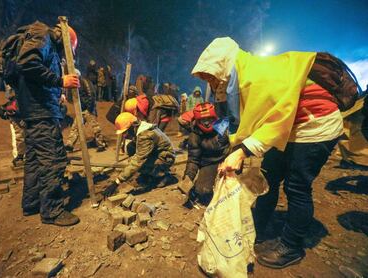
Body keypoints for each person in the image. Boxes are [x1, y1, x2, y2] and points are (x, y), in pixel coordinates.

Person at [192, 37, 344, 269]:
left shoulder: (256, 78)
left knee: (297, 186)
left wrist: (240, 152)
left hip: (314, 125)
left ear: (221, 65)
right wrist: (235, 150)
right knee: (269, 175)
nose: (211, 83)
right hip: (291, 127)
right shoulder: (236, 83)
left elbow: (275, 120)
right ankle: (258, 226)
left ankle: (291, 246)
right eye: (205, 79)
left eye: (210, 76)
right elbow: (237, 123)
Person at [15, 21, 81, 226]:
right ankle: (52, 210)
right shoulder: (42, 36)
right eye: (66, 50)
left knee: (35, 159)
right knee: (53, 159)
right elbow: (27, 64)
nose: (63, 53)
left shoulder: (40, 39)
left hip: (34, 111)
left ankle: (32, 203)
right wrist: (60, 81)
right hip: (41, 111)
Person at [103, 112, 176, 196]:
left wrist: (116, 182)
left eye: (125, 132)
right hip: (157, 153)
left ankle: (163, 176)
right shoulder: (140, 128)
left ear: (133, 126)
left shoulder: (145, 135)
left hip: (166, 158)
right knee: (131, 147)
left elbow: (138, 161)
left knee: (138, 164)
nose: (124, 135)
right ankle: (150, 173)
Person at [181, 103, 231, 206]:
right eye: (203, 120)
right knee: (203, 192)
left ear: (215, 117)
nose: (207, 123)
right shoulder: (194, 134)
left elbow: (237, 146)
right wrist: (188, 178)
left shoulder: (224, 126)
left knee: (232, 190)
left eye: (210, 119)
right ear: (197, 121)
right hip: (209, 163)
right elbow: (193, 159)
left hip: (227, 159)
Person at [66, 74, 107, 152]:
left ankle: (101, 144)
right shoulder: (76, 83)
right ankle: (70, 144)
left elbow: (91, 94)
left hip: (89, 109)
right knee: (75, 127)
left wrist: (89, 108)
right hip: (81, 109)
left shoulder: (85, 82)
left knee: (95, 127)